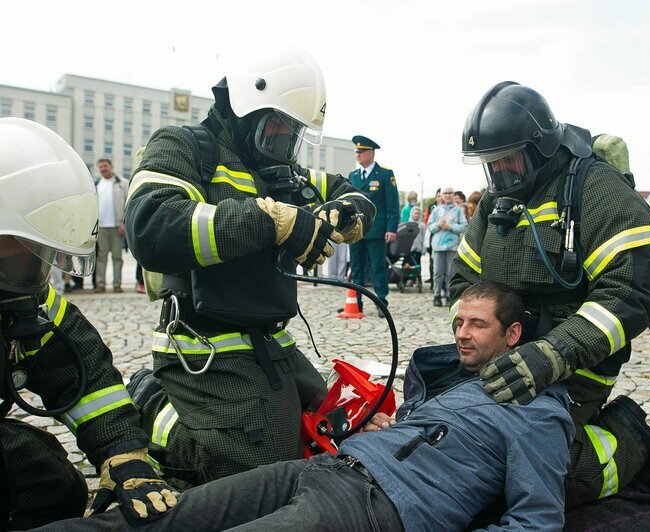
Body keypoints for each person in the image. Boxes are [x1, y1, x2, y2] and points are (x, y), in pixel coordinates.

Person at [36, 281, 575, 532]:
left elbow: (537, 520)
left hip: (375, 508)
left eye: (477, 325)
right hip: (325, 470)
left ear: (514, 334)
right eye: (458, 322)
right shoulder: (449, 384)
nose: (461, 335)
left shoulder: (538, 413)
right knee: (160, 517)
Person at [124, 49, 375, 485]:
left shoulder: (280, 169)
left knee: (343, 426)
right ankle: (151, 406)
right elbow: (150, 227)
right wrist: (270, 222)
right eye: (277, 124)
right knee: (264, 473)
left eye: (292, 131)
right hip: (206, 344)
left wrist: (346, 211)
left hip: (272, 341)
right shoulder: (184, 145)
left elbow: (350, 191)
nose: (283, 139)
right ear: (245, 107)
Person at [451, 82, 650, 509]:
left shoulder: (596, 190)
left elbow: (631, 292)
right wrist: (481, 333)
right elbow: (464, 280)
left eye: (508, 160)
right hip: (502, 358)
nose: (500, 173)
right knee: (458, 449)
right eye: (491, 164)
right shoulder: (494, 202)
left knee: (539, 479)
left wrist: (554, 352)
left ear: (540, 147)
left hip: (577, 367)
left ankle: (628, 435)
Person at [0, 118, 177, 529]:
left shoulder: (23, 297)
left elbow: (83, 373)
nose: (34, 273)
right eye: (25, 255)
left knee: (50, 483)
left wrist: (124, 454)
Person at [347, 135, 400, 315]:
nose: (358, 155)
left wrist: (391, 228)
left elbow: (392, 204)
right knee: (356, 267)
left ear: (371, 153)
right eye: (356, 152)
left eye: (361, 152)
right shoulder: (352, 176)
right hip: (355, 230)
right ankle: (356, 301)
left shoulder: (385, 174)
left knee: (378, 266)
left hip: (376, 230)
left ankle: (381, 301)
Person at [93, 159, 128, 293]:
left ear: (111, 166)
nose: (103, 169)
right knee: (101, 257)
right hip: (101, 227)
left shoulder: (122, 183)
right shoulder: (96, 184)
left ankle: (117, 284)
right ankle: (100, 284)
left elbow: (128, 204)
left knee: (117, 257)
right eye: (100, 167)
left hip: (117, 226)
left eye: (105, 166)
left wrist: (123, 222)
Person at [428, 186, 467, 307]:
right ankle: (437, 295)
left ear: (453, 194)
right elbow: (430, 226)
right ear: (441, 195)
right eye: (445, 193)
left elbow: (464, 226)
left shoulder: (458, 210)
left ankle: (450, 295)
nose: (448, 195)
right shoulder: (436, 210)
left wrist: (450, 227)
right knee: (438, 272)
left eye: (450, 193)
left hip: (452, 245)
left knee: (450, 273)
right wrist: (438, 225)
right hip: (438, 246)